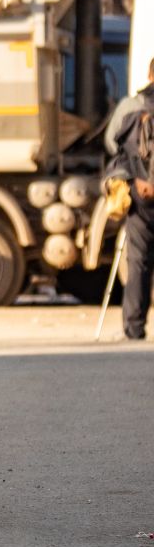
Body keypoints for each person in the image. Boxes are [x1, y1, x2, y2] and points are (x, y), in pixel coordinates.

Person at [104, 57, 154, 341]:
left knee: (138, 260)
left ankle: (134, 327)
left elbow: (112, 143)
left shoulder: (131, 106)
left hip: (141, 191)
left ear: (149, 74)